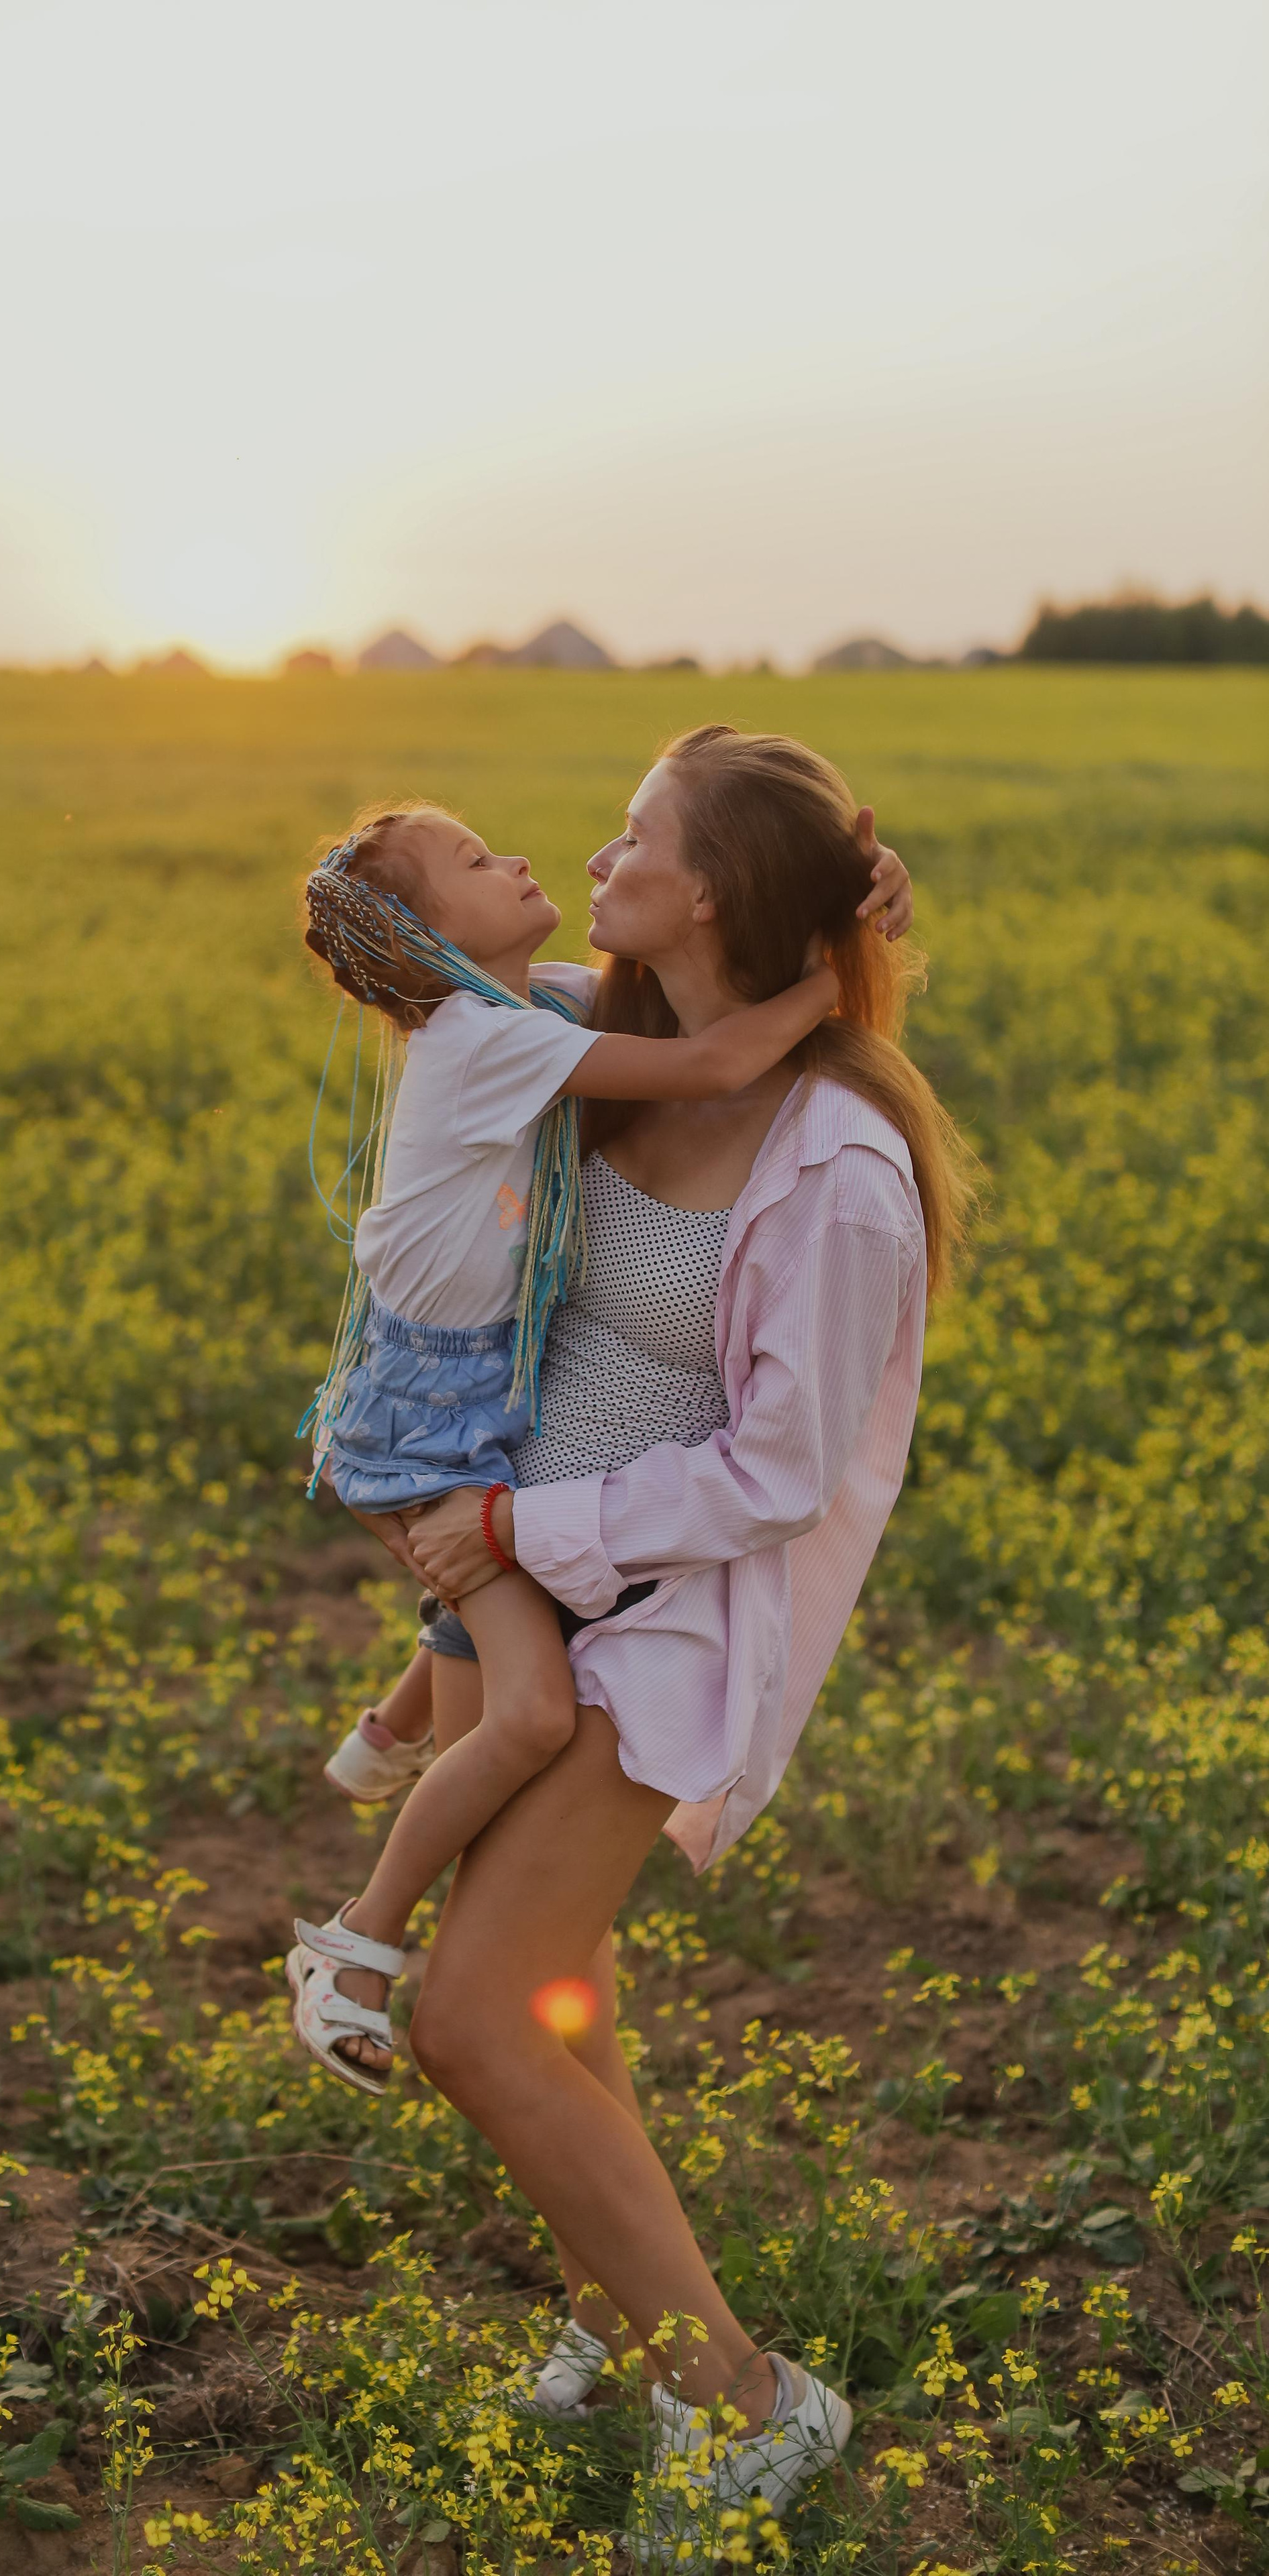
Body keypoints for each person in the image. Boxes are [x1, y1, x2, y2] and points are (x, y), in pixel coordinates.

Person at [336, 725, 969, 2554]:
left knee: (471, 2013)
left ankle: (751, 2400)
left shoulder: (837, 1165)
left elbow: (776, 1473)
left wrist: (522, 1526)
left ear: (716, 897)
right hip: (526, 1576)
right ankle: (623, 2325)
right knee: (557, 1994)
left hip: (666, 1613)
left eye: (636, 839)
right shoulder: (583, 1024)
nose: (596, 857)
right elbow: (421, 967)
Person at [287, 806, 882, 2098]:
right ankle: (357, 1939)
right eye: (474, 864)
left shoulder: (512, 1015)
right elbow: (713, 1063)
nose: (519, 859)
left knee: (488, 1637)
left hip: (455, 1400)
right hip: (432, 1422)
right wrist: (838, 981)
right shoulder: (488, 1040)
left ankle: (385, 1730)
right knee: (526, 1719)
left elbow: (656, 1006)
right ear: (435, 941)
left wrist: (827, 894)